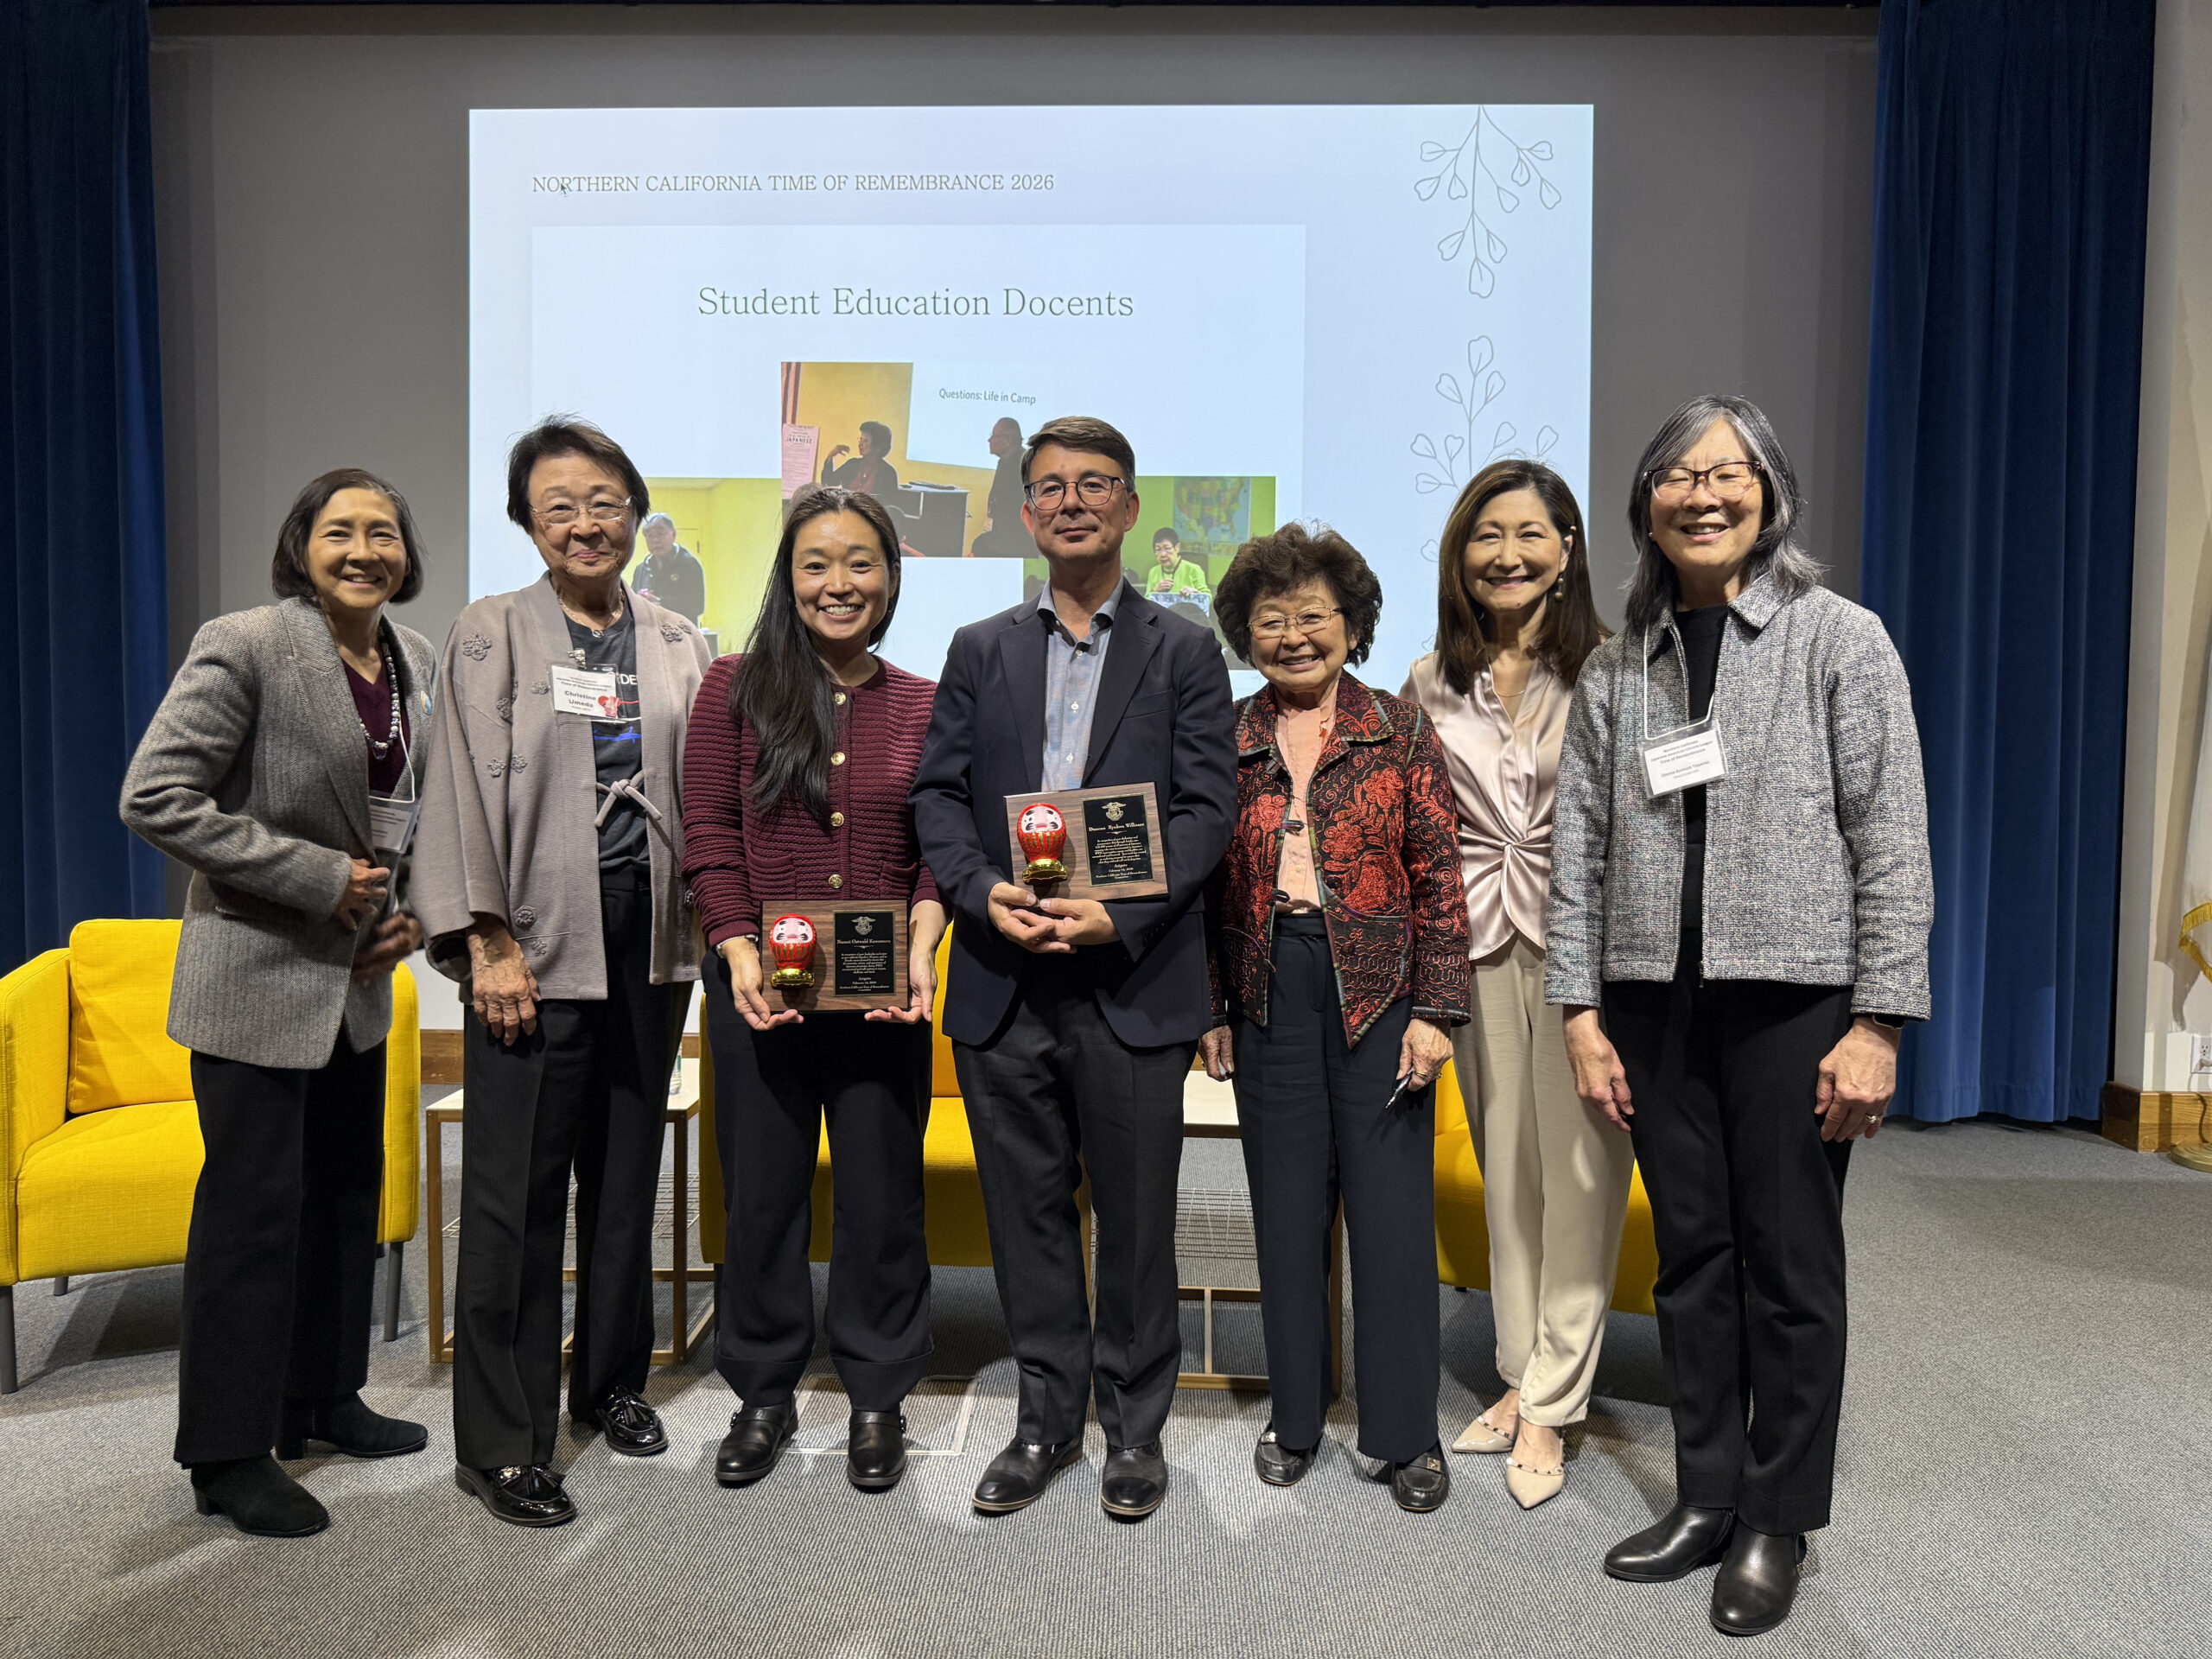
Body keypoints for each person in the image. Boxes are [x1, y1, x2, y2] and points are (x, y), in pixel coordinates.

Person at [1547, 395, 1930, 1637]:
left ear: (1769, 495)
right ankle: (1707, 1494)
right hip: (1656, 1005)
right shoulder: (1619, 662)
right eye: (1677, 476)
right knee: (1692, 1261)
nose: (1702, 495)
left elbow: (1892, 841)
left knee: (1792, 1268)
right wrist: (1578, 1010)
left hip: (1794, 1002)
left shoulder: (1840, 640)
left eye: (1728, 474)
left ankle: (1778, 1518)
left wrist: (1878, 1020)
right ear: (1646, 504)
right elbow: (1581, 850)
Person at [911, 415, 1236, 1522]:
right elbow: (938, 799)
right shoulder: (978, 647)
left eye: (1096, 484)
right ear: (1026, 509)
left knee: (1138, 1223)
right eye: (1049, 486)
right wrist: (976, 892)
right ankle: (1045, 1419)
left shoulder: (1186, 650)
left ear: (1131, 507)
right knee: (1028, 1217)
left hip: (1131, 982)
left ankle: (1133, 1433)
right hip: (1004, 980)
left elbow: (1206, 813)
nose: (1072, 501)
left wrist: (1121, 913)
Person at [119, 468, 436, 1537]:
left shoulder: (416, 661)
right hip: (254, 976)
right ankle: (225, 1450)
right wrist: (314, 879)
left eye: (382, 534)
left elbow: (415, 816)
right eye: (341, 532)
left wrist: (409, 920)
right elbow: (155, 794)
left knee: (344, 1199)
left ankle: (321, 1398)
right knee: (252, 1218)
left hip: (356, 982)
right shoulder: (247, 641)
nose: (363, 551)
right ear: (302, 544)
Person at [413, 417, 713, 1529]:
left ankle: (611, 1382)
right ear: (528, 526)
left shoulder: (684, 638)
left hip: (650, 942)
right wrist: (482, 939)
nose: (586, 522)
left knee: (628, 1177)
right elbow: (455, 794)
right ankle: (502, 1439)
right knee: (515, 1199)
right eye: (559, 507)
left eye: (604, 500)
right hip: (532, 945)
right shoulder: (488, 633)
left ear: (636, 511)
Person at [681, 486, 947, 1494]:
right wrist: (737, 948)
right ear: (788, 578)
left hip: (883, 998)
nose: (839, 583)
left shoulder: (924, 701)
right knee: (762, 1198)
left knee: (883, 1201)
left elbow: (936, 847)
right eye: (816, 564)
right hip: (760, 992)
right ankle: (761, 1390)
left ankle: (878, 1394)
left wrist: (922, 940)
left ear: (890, 576)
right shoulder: (734, 686)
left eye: (860, 563)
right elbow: (708, 829)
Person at [1198, 524, 1467, 1514]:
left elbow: (1442, 873)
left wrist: (1437, 1008)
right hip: (1269, 989)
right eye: (1271, 619)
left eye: (1314, 616)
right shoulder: (1224, 737)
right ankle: (1295, 1416)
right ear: (1245, 634)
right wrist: (1211, 1009)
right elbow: (1197, 891)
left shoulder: (1399, 730)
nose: (1294, 635)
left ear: (1351, 627)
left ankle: (1405, 1434)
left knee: (1392, 1218)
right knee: (1285, 1214)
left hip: (1378, 994)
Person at [1402, 460, 1629, 1511]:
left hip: (1588, 943)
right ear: (1460, 555)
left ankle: (1556, 1397)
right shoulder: (1426, 680)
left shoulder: (1617, 670)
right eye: (1485, 535)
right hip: (1473, 940)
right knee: (1507, 1170)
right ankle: (1519, 1368)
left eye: (1529, 534)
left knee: (1580, 1174)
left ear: (1568, 548)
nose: (1507, 553)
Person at [632, 512, 706, 625]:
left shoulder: (688, 564)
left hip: (681, 635)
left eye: (661, 534)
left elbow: (697, 606)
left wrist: (660, 602)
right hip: (651, 634)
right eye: (650, 535)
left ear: (673, 534)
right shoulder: (641, 569)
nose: (656, 540)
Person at [970, 416, 1029, 556]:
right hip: (1000, 537)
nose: (989, 441)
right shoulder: (1005, 461)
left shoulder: (1024, 464)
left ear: (1007, 440)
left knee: (980, 546)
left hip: (1014, 541)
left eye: (993, 436)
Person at [820, 420, 901, 500]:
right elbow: (828, 483)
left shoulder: (888, 473)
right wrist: (831, 456)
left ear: (878, 446)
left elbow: (890, 505)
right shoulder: (852, 464)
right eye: (860, 439)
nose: (860, 444)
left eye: (865, 441)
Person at [1143, 526, 1211, 605]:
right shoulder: (1153, 572)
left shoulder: (1194, 569)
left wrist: (1195, 593)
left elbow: (1208, 597)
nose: (1163, 554)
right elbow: (1146, 602)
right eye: (1158, 549)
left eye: (1167, 548)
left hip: (1186, 614)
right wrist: (1156, 592)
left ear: (1177, 548)